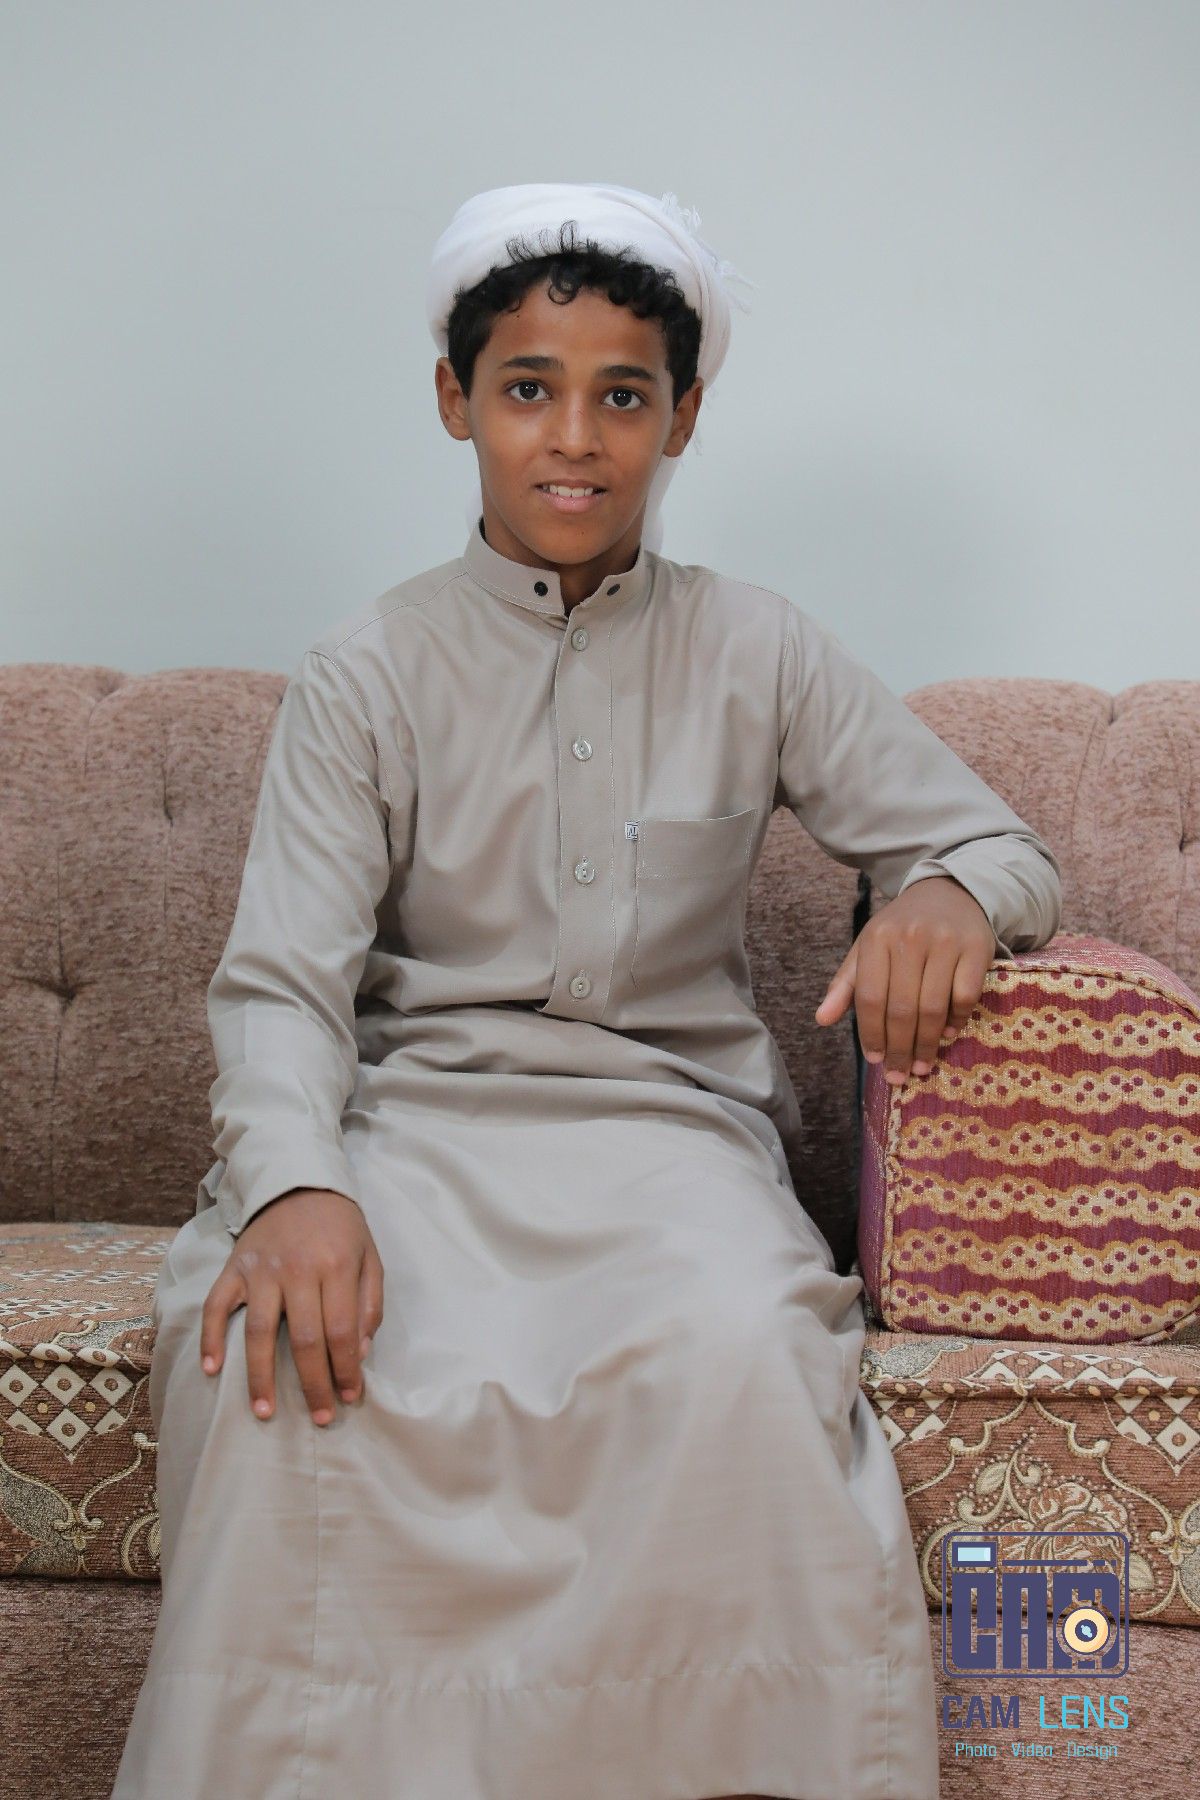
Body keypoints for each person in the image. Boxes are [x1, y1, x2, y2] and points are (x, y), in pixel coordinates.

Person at [112, 182, 1062, 1800]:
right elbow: (282, 984)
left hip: (666, 1143)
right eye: (528, 389)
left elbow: (999, 844)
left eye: (623, 396)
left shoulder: (761, 648)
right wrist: (293, 1187)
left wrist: (947, 893)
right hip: (406, 1133)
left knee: (746, 1357)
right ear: (455, 401)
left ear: (682, 418)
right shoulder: (368, 670)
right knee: (285, 1370)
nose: (574, 438)